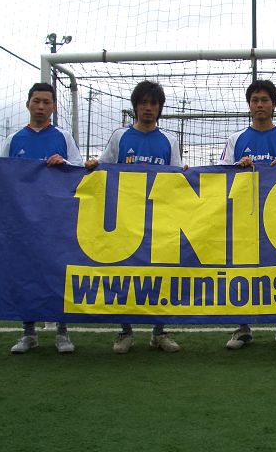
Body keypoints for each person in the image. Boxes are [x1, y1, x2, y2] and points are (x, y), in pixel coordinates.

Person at [0, 82, 84, 354]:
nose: (40, 106)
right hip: (22, 221)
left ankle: (62, 332)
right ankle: (29, 333)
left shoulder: (63, 137)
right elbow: (2, 174)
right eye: (36, 101)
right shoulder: (14, 139)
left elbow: (79, 170)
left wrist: (64, 163)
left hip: (55, 220)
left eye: (46, 102)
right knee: (23, 273)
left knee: (58, 271)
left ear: (54, 107)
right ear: (28, 103)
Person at [85, 80, 186, 354]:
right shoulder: (120, 137)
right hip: (125, 219)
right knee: (124, 274)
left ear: (160, 108)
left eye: (153, 103)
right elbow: (103, 168)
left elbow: (178, 178)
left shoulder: (169, 140)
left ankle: (159, 333)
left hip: (160, 219)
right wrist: (93, 166)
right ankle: (125, 331)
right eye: (143, 103)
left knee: (161, 274)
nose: (148, 108)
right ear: (135, 106)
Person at [219, 79, 276, 350]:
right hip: (244, 216)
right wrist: (238, 166)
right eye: (255, 100)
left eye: (264, 100)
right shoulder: (235, 139)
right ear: (249, 105)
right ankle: (242, 328)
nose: (259, 105)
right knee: (242, 271)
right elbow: (221, 175)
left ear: (273, 105)